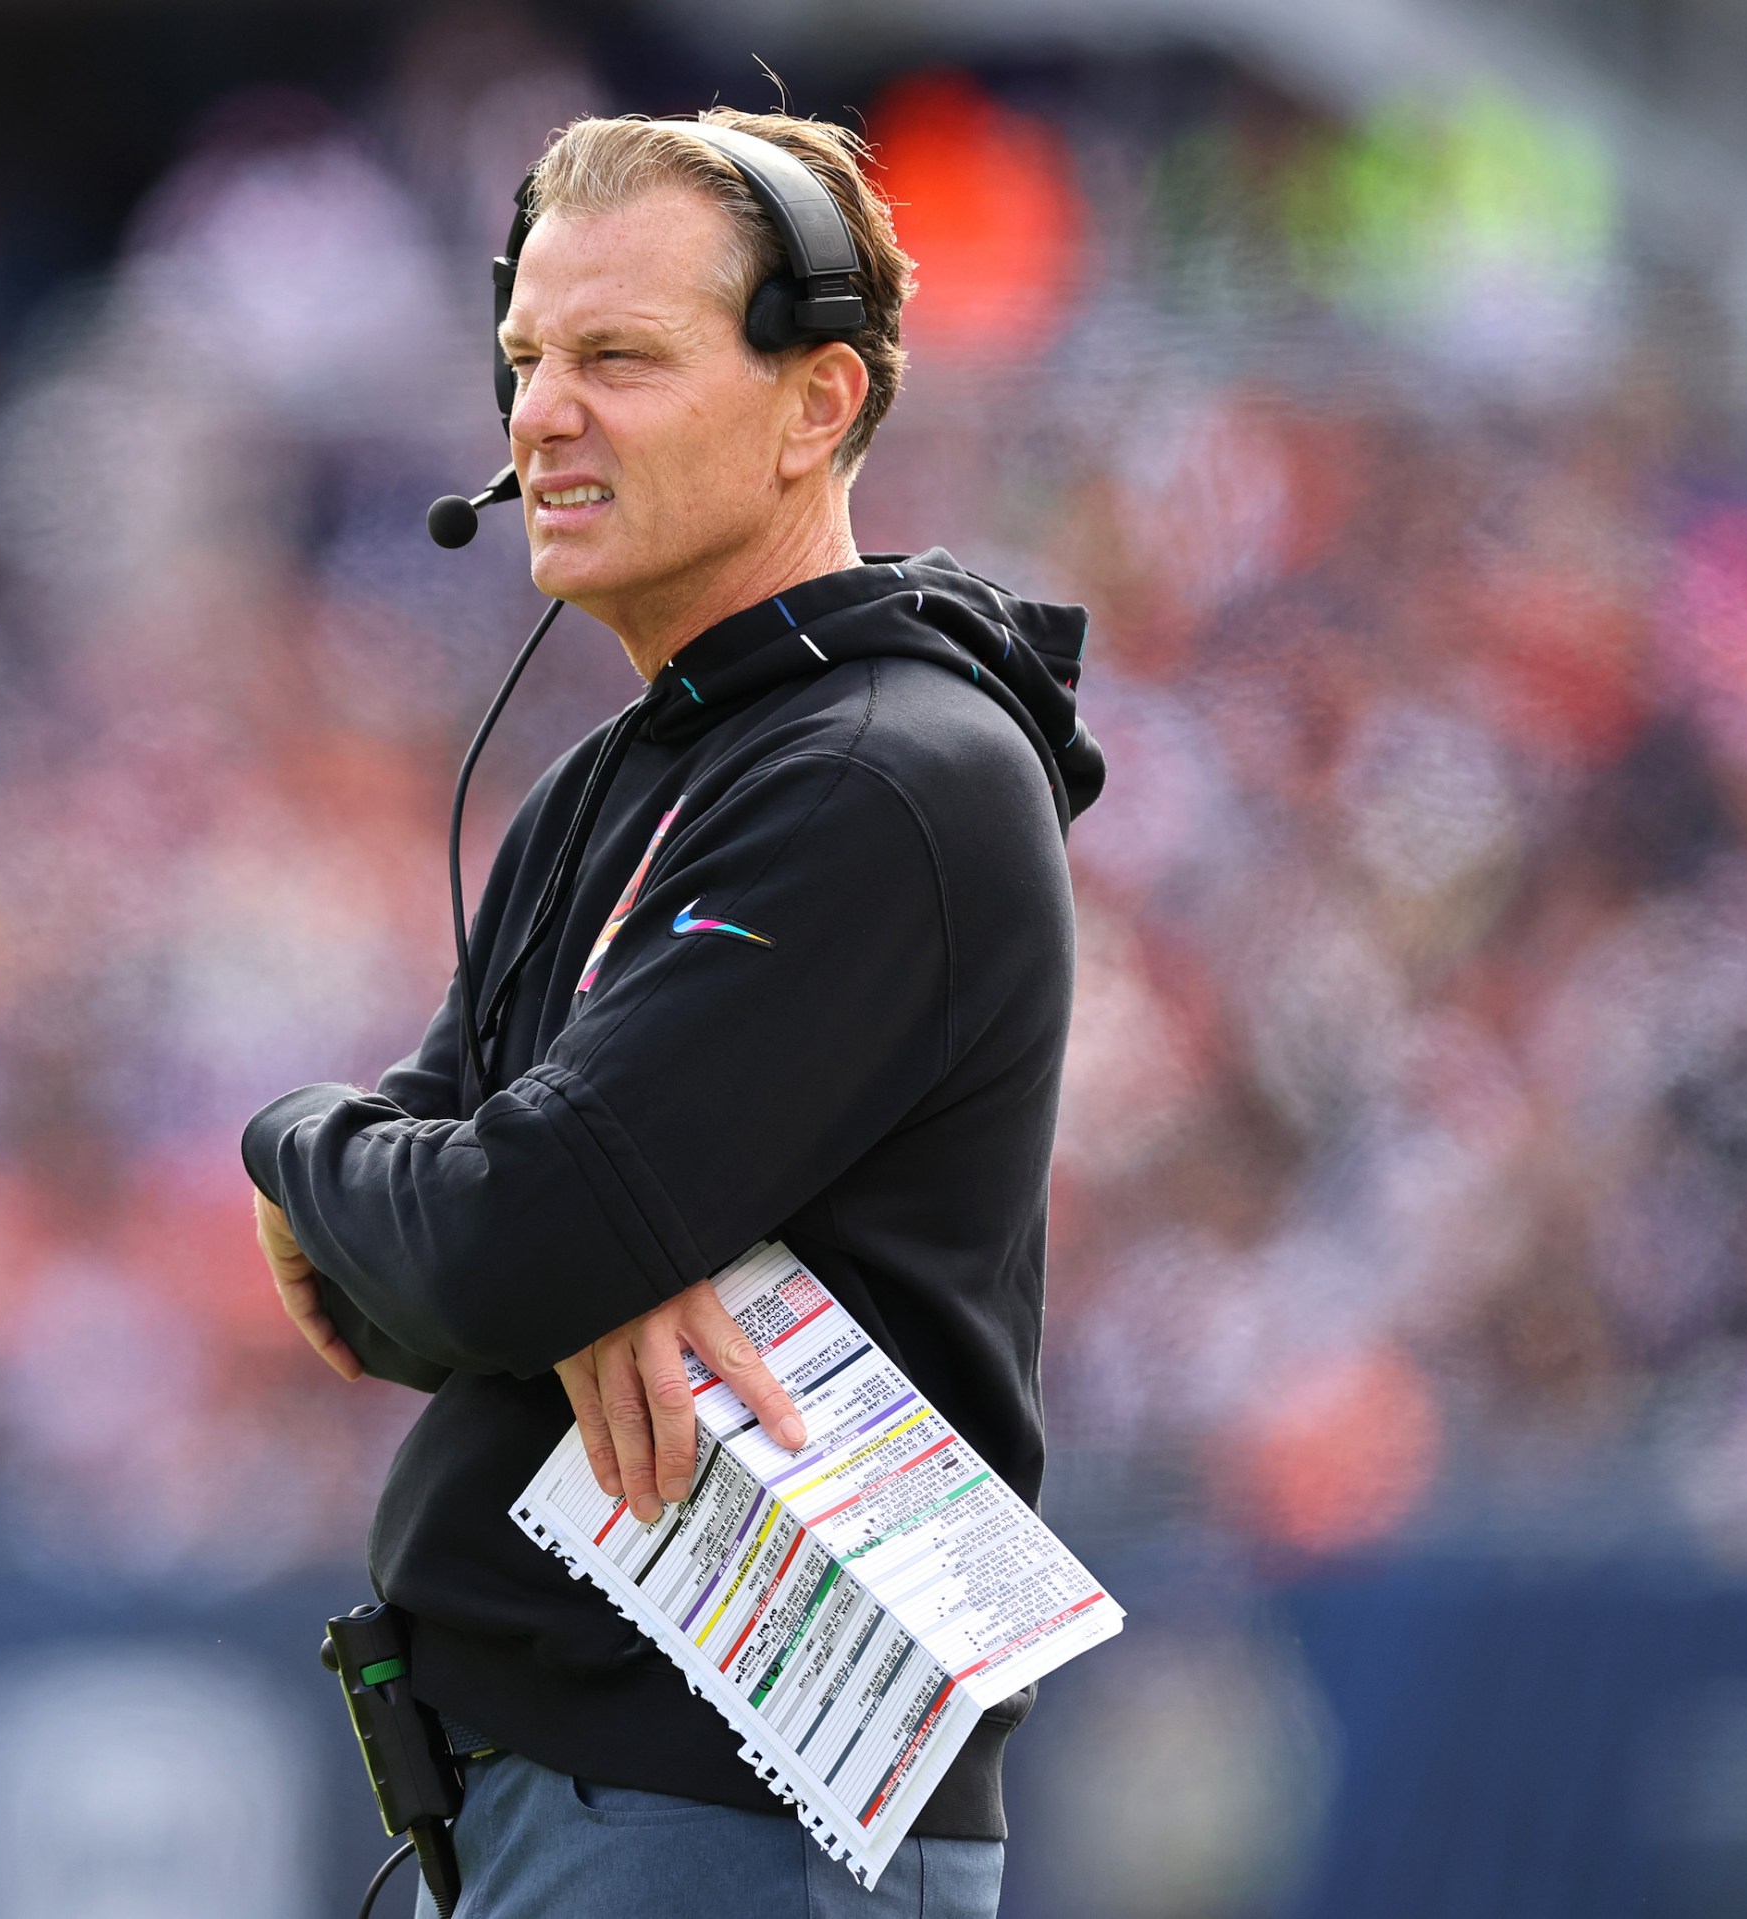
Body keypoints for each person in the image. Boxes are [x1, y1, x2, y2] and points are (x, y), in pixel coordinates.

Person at [243, 107, 1103, 1919]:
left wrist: (300, 1151)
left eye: (619, 357)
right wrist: (421, 1195)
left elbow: (487, 1247)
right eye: (526, 358)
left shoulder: (879, 775)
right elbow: (395, 1293)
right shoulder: (643, 766)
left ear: (817, 400)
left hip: (730, 1816)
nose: (541, 411)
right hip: (605, 1807)